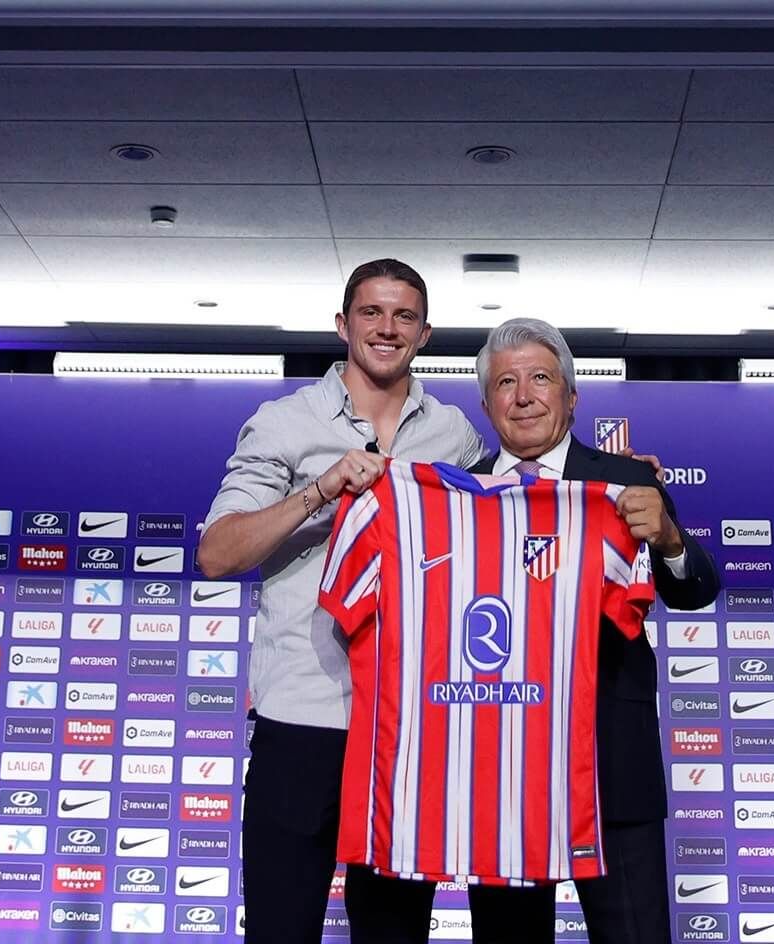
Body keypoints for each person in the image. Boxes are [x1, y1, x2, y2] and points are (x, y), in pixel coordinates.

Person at [197, 259, 485, 944]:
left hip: (408, 726)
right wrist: (318, 490)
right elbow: (217, 554)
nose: (387, 328)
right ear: (342, 324)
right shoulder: (283, 423)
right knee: (281, 926)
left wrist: (617, 479)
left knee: (395, 933)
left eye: (403, 316)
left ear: (425, 333)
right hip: (302, 715)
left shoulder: (455, 437)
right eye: (371, 313)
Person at [465, 317, 720, 944]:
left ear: (572, 397)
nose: (523, 395)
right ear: (486, 403)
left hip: (613, 765)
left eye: (541, 378)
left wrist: (667, 537)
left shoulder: (628, 480)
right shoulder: (456, 491)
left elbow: (695, 591)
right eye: (505, 382)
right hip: (501, 771)